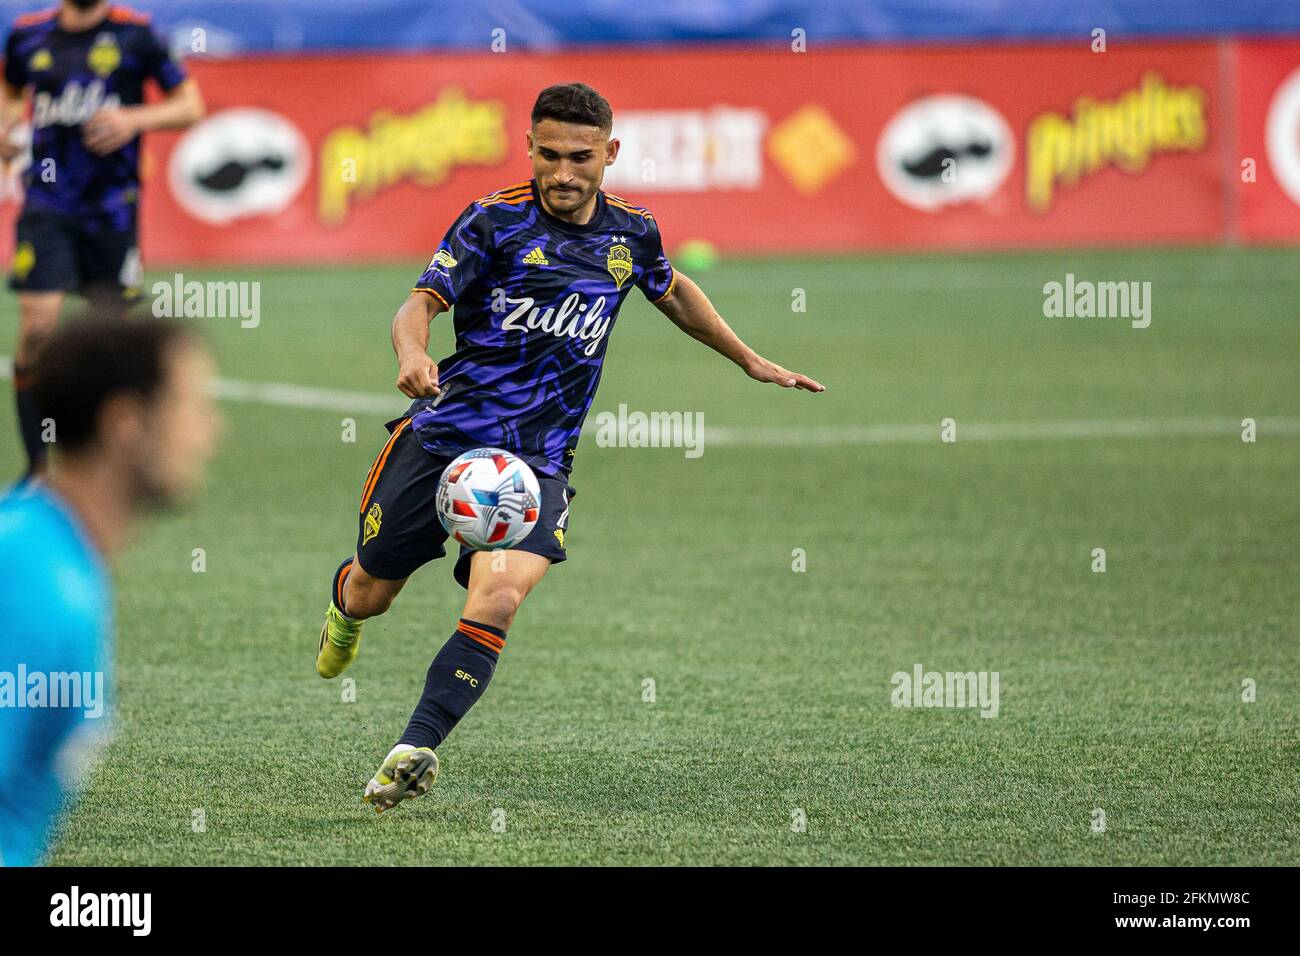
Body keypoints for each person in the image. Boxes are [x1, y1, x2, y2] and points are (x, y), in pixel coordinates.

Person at [313, 82, 824, 812]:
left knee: (499, 597)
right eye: (547, 154)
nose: (562, 172)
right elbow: (421, 301)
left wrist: (747, 358)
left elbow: (670, 288)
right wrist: (411, 353)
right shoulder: (494, 222)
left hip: (537, 463)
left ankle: (413, 747)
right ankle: (345, 613)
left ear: (609, 153)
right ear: (529, 149)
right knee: (373, 590)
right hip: (444, 440)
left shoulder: (632, 233)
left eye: (580, 157)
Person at [0, 318, 219, 865]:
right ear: (126, 426)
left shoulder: (53, 552)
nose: (213, 431)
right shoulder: (34, 580)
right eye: (191, 407)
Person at [0, 1, 205, 479]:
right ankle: (38, 464)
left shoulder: (138, 35)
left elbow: (190, 105)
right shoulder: (28, 35)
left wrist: (134, 119)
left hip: (113, 206)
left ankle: (104, 455)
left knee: (109, 333)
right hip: (47, 203)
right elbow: (11, 91)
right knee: (38, 326)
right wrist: (7, 127)